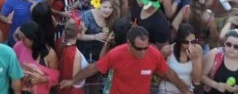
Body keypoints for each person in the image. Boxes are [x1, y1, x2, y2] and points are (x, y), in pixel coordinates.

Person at [61, 25, 190, 93]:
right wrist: (72, 81)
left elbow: (168, 73)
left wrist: (184, 90)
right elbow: (94, 68)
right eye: (139, 49)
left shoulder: (154, 54)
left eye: (146, 48)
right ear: (129, 44)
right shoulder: (116, 54)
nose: (143, 52)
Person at [201, 29, 238, 94]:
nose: (231, 48)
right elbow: (200, 76)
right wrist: (217, 85)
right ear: (224, 43)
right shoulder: (215, 54)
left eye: (236, 47)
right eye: (228, 44)